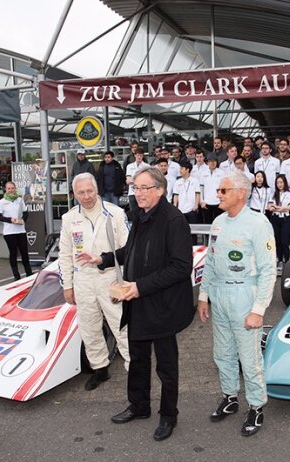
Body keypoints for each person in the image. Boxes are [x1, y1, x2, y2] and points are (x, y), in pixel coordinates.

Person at [78, 167, 194, 442]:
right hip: (137, 303)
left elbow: (181, 267)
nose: (138, 193)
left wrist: (140, 286)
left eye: (144, 188)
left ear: (159, 190)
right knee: (138, 359)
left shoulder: (173, 220)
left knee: (166, 366)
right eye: (135, 188)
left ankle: (168, 416)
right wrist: (103, 259)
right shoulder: (140, 216)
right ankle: (139, 407)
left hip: (163, 305)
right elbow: (130, 251)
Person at [197, 171, 276, 437]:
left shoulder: (258, 223)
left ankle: (256, 406)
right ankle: (230, 397)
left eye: (223, 190)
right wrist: (203, 296)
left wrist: (258, 310)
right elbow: (210, 262)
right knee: (223, 354)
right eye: (218, 190)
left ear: (241, 193)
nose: (218, 194)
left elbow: (267, 271)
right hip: (219, 294)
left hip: (245, 295)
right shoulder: (218, 222)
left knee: (249, 357)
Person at [59, 173, 130, 390]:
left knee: (122, 326)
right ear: (74, 194)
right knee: (89, 328)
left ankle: (135, 366)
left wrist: (126, 281)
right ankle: (100, 368)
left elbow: (128, 249)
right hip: (83, 281)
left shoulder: (115, 213)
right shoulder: (69, 218)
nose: (87, 196)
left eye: (90, 191)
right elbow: (65, 254)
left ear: (97, 189)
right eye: (81, 192)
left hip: (110, 279)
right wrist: (67, 286)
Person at [0, 181, 33, 280]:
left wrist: (22, 220)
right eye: (9, 188)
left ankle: (29, 274)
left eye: (12, 188)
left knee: (24, 252)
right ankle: (16, 276)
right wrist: (10, 220)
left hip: (20, 230)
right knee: (13, 253)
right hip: (9, 232)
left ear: (15, 188)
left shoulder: (20, 200)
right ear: (5, 189)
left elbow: (25, 213)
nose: (11, 190)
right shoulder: (2, 202)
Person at [269, 174, 290, 271]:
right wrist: (280, 208)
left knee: (285, 241)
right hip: (275, 219)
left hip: (285, 219)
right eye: (278, 183)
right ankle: (279, 259)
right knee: (277, 240)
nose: (279, 184)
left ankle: (286, 261)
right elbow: (270, 207)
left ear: (285, 183)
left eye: (281, 182)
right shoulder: (274, 194)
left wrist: (278, 208)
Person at [200, 153, 226, 224]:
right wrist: (202, 201)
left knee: (219, 222)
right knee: (207, 222)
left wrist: (223, 200)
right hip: (206, 203)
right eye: (211, 161)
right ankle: (207, 235)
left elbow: (224, 188)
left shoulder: (222, 173)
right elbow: (201, 188)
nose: (213, 163)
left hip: (218, 202)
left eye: (215, 161)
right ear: (207, 162)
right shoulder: (203, 173)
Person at [172, 162, 200, 227]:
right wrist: (175, 206)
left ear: (187, 170)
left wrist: (196, 205)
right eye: (180, 168)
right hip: (180, 210)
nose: (180, 170)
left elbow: (197, 194)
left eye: (182, 168)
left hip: (192, 209)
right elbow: (176, 195)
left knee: (193, 230)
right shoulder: (177, 182)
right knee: (181, 229)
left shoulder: (195, 181)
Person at [125, 148, 149, 215]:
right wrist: (141, 181)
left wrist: (133, 180)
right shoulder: (129, 166)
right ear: (135, 155)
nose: (139, 157)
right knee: (133, 212)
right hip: (132, 193)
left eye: (141, 155)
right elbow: (128, 181)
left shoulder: (147, 166)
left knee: (144, 211)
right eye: (138, 155)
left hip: (144, 192)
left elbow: (147, 180)